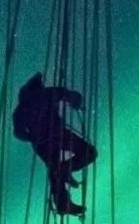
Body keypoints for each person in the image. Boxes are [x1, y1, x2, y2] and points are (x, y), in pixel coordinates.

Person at [13, 72, 97, 215]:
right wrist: (75, 102)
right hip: (58, 134)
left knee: (54, 166)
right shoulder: (47, 93)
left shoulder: (20, 109)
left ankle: (62, 198)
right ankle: (64, 173)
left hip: (41, 142)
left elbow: (18, 133)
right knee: (89, 153)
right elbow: (72, 95)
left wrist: (32, 137)